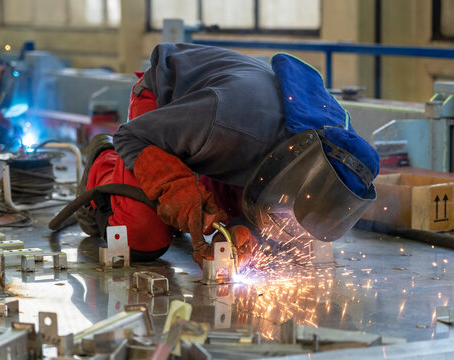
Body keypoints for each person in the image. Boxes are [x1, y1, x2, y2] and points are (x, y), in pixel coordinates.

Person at [55, 43, 379, 267]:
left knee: (281, 249)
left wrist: (248, 229)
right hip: (163, 109)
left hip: (230, 142)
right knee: (142, 238)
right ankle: (104, 162)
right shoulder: (224, 122)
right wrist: (174, 185)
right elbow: (133, 135)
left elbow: (283, 221)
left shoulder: (323, 149)